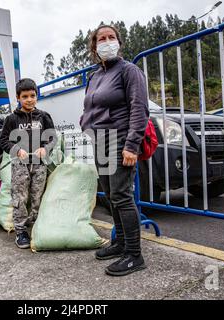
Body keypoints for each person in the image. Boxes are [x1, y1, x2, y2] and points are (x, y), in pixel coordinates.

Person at [80, 25, 149, 276]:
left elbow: (139, 108)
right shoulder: (95, 76)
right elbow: (90, 107)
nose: (106, 42)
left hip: (119, 140)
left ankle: (134, 254)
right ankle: (120, 242)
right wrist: (84, 122)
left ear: (119, 42)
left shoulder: (129, 71)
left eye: (111, 37)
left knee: (121, 195)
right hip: (100, 140)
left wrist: (132, 145)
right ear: (94, 46)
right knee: (110, 195)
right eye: (101, 39)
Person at [0, 78, 57, 249]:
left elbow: (52, 138)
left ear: (36, 96)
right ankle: (21, 230)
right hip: (20, 165)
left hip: (39, 165)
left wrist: (45, 149)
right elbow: (3, 141)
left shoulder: (44, 117)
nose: (29, 99)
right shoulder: (11, 119)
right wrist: (16, 150)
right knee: (20, 196)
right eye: (25, 96)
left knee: (37, 195)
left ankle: (36, 225)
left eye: (32, 95)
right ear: (18, 98)